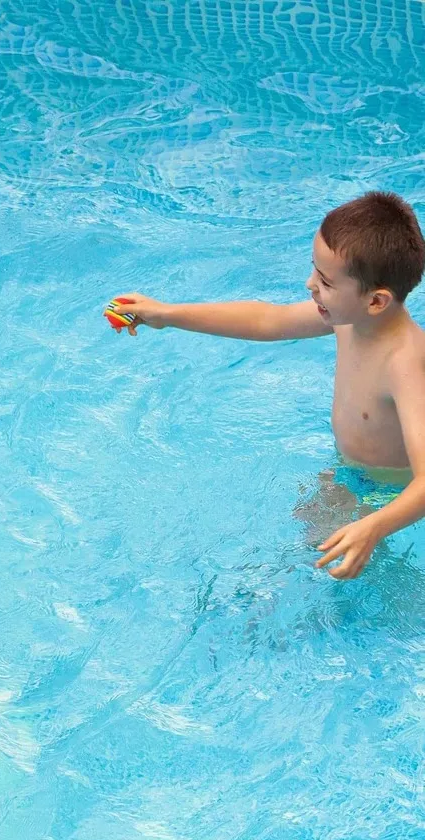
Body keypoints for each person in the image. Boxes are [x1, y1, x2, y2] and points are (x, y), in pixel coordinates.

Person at [109, 190, 425, 580]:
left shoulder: (405, 364)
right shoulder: (349, 318)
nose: (310, 285)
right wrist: (167, 313)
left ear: (376, 301)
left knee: (327, 579)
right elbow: (267, 320)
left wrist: (375, 525)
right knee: (303, 558)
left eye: (325, 282)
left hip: (388, 496)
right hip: (349, 474)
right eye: (314, 270)